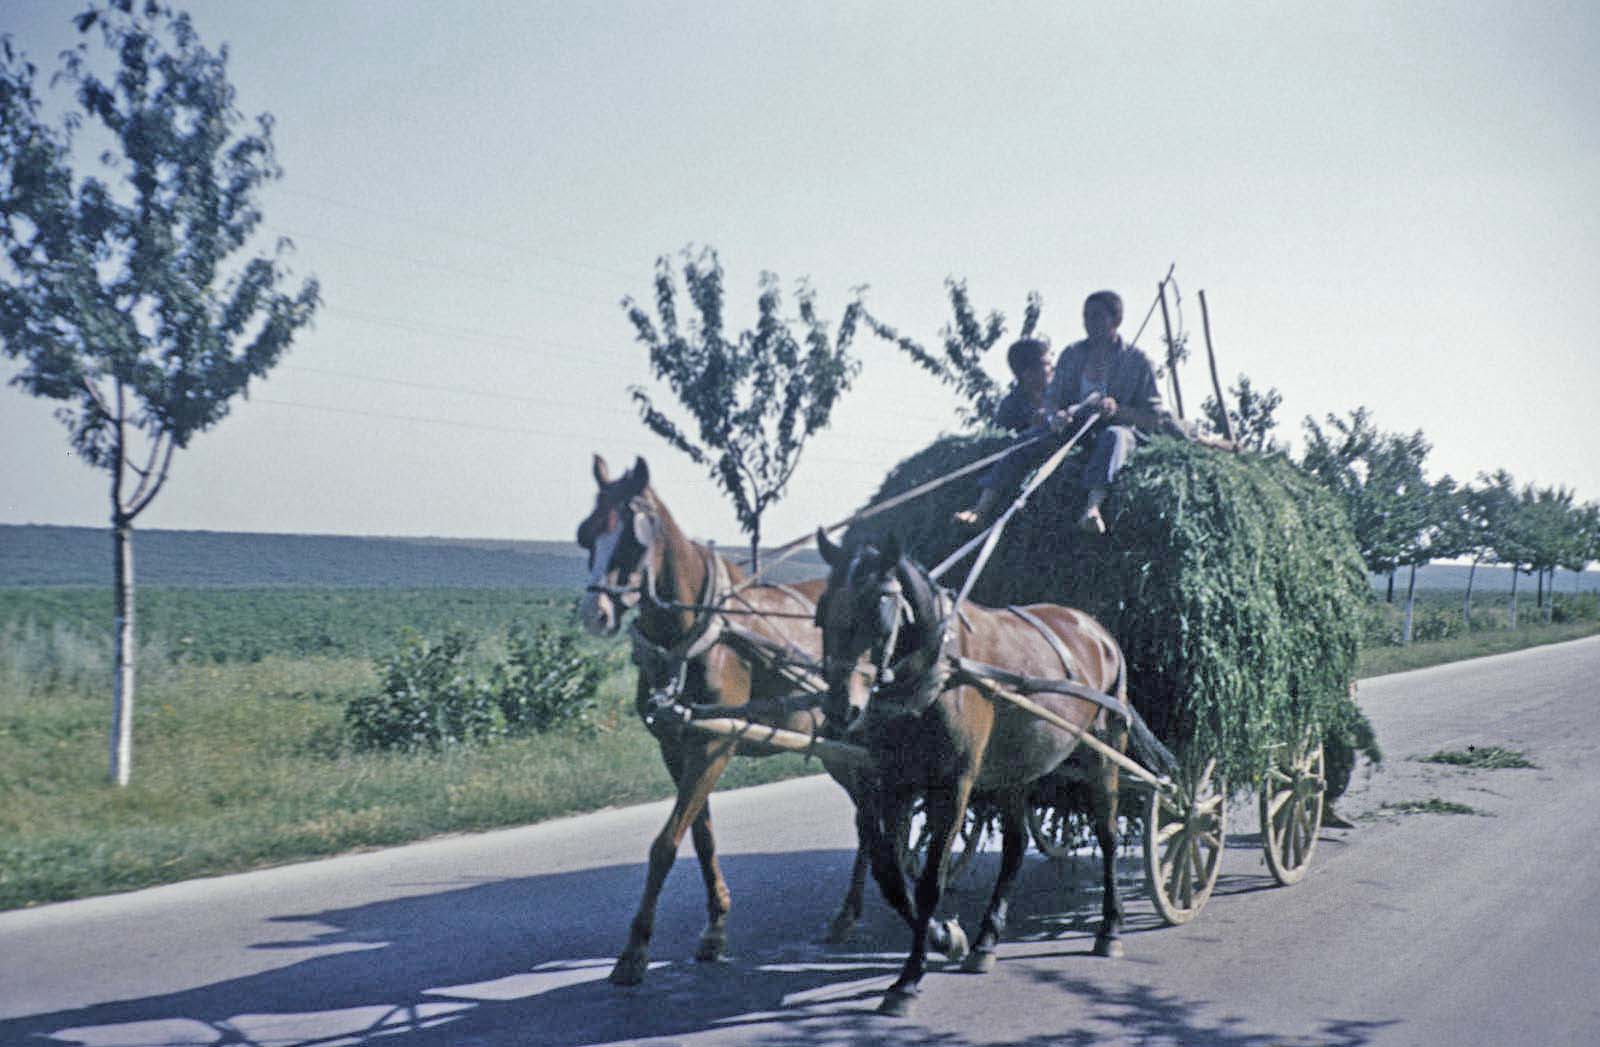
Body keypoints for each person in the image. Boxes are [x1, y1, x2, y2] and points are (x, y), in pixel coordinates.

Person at [955, 290, 1168, 534]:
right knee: (1027, 441)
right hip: (1075, 426)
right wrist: (1055, 415)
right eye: (1086, 317)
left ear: (1116, 320)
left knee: (1114, 437)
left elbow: (1154, 418)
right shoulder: (1072, 355)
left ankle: (1093, 508)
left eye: (1098, 317)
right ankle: (980, 509)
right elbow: (1051, 399)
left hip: (1119, 429)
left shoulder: (1136, 361)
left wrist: (1117, 410)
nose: (1090, 323)